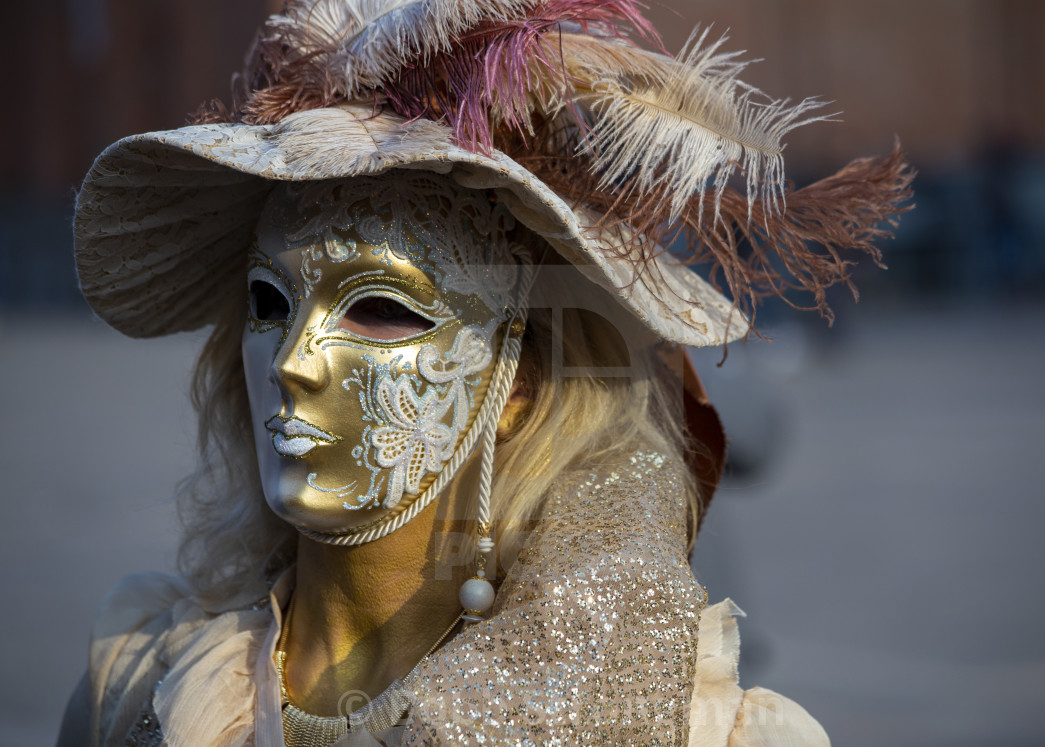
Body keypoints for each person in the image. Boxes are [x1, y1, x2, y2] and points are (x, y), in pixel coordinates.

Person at [58, 2, 912, 745]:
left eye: (382, 309)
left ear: (522, 384)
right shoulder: (142, 683)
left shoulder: (695, 732)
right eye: (269, 303)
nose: (293, 362)